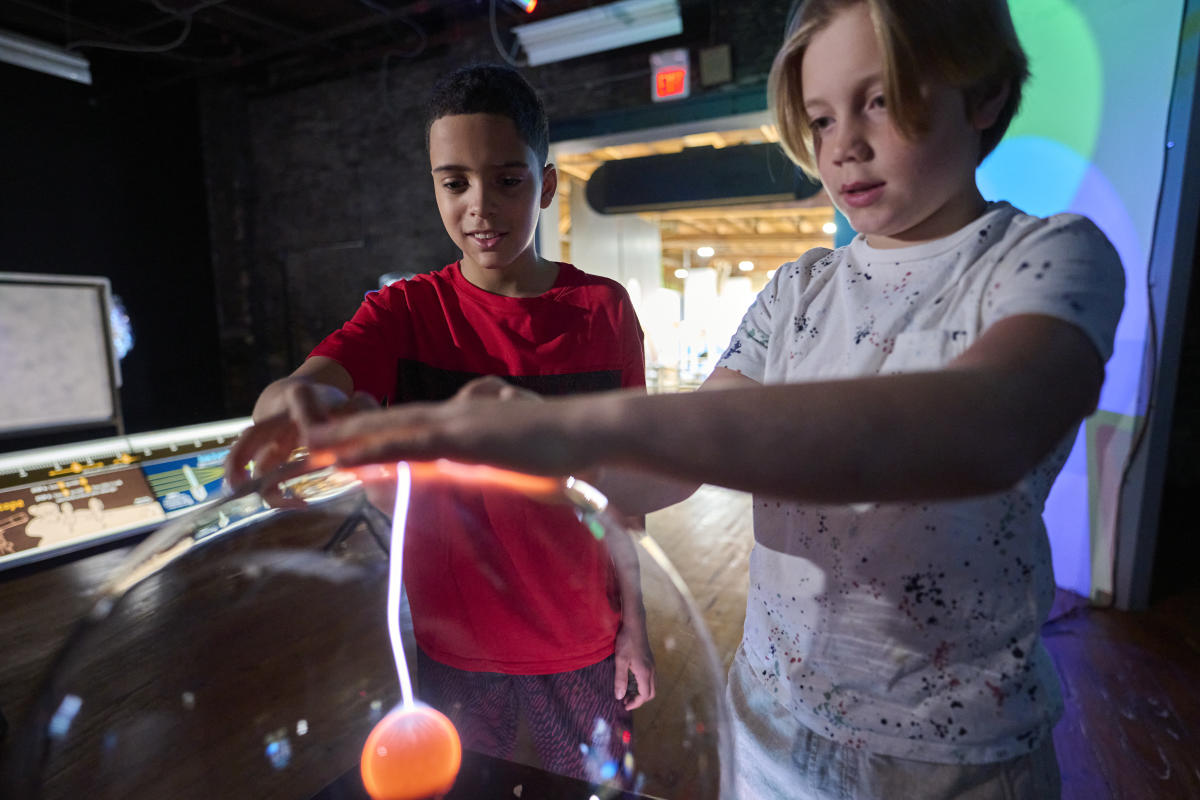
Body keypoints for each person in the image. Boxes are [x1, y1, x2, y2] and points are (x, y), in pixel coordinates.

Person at [291, 2, 1127, 798]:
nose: (846, 147)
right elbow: (662, 474)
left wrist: (567, 427)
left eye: (881, 102)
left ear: (982, 91)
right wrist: (501, 461)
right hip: (767, 724)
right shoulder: (795, 291)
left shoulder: (1048, 259)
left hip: (954, 758)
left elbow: (985, 424)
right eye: (823, 118)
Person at [226, 63, 655, 783]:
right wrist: (290, 408)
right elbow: (305, 386)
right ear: (433, 185)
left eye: (507, 180)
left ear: (545, 186)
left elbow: (625, 493)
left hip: (580, 635)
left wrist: (634, 626)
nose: (480, 207)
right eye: (454, 182)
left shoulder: (604, 310)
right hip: (455, 646)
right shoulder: (405, 313)